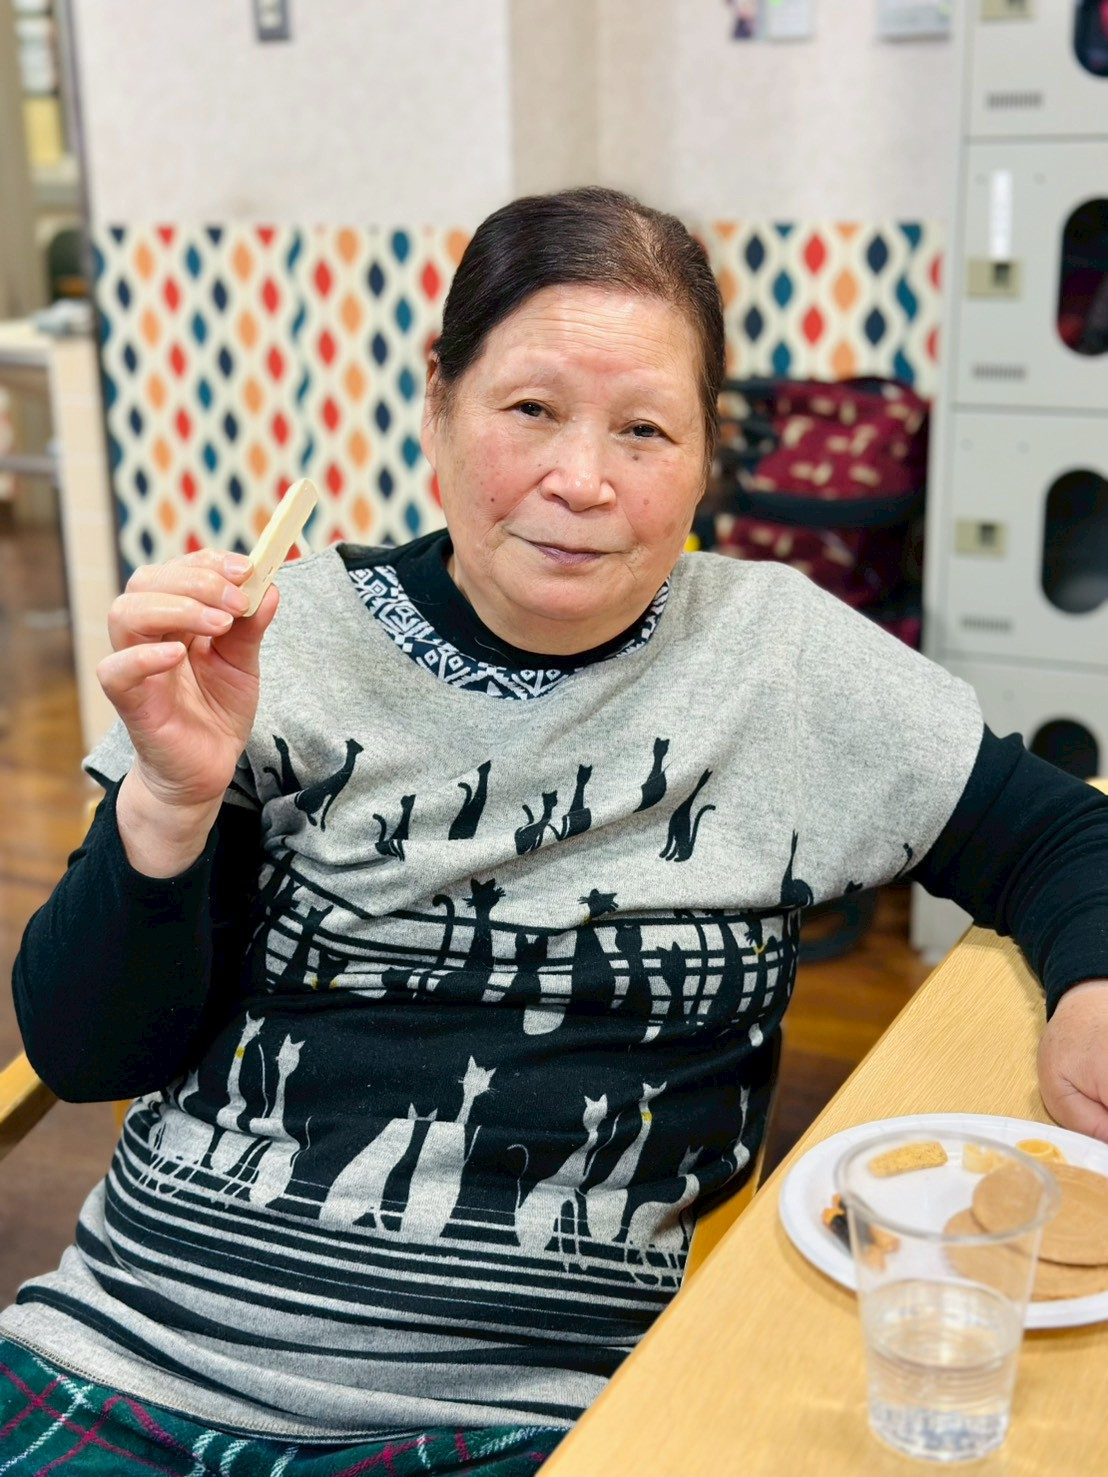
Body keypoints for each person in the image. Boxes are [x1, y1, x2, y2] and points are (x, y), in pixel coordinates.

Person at [3, 186, 1108, 1475]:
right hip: (131, 1356)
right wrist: (169, 801)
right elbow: (87, 1053)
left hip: (527, 1424)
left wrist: (1093, 986)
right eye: (530, 409)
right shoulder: (279, 645)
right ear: (439, 402)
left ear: (705, 458)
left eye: (644, 429)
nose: (580, 481)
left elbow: (1056, 837)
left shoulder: (777, 660)